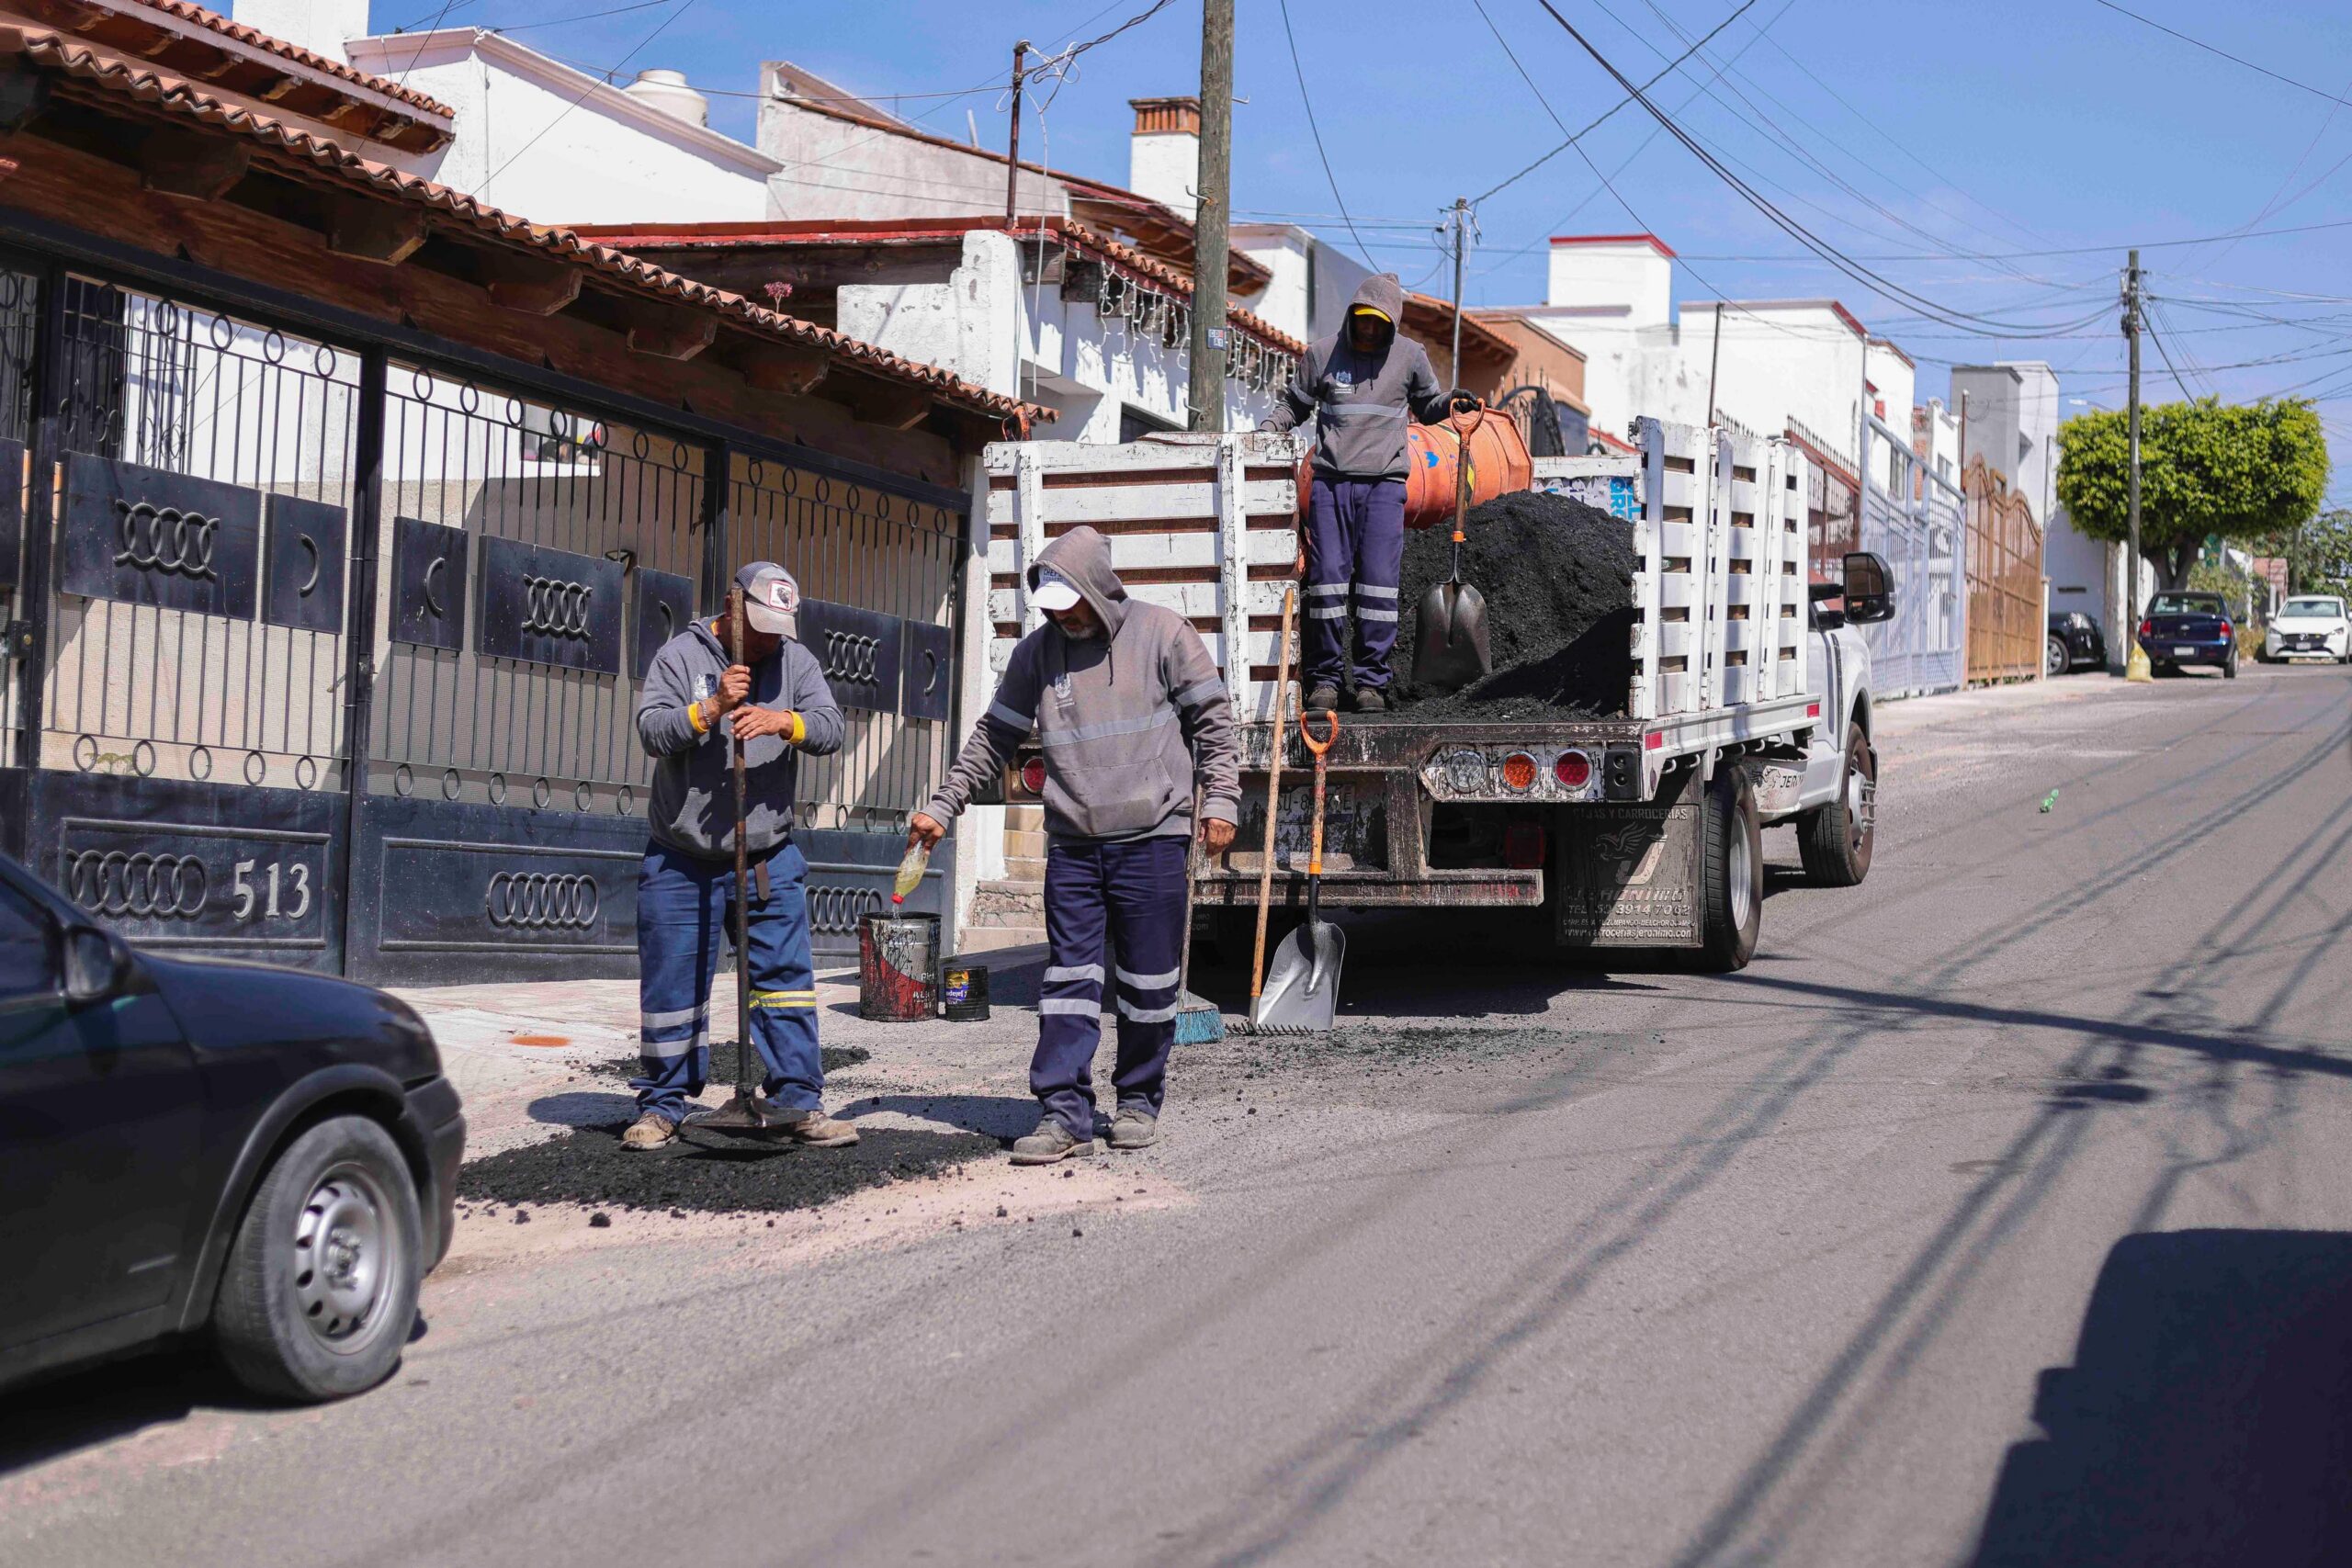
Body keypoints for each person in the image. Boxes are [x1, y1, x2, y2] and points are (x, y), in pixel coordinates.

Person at [908, 526, 1240, 1165]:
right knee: (1068, 981)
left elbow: (1215, 726)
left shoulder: (1165, 635)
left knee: (1148, 984)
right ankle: (1064, 1112)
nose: (1064, 615)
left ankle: (1140, 1099)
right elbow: (991, 739)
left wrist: (1221, 801)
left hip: (1152, 838)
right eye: (1053, 606)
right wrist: (943, 805)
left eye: (1072, 602)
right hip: (1076, 848)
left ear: (1098, 587)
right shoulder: (1037, 654)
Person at [624, 561, 853, 1152]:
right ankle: (662, 1106)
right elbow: (652, 731)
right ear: (733, 611)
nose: (773, 639)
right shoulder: (680, 657)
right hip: (681, 859)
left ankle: (797, 1101)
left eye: (781, 628)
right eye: (763, 626)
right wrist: (712, 709)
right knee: (672, 988)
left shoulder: (795, 662)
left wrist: (786, 721)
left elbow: (832, 728)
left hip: (766, 859)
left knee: (784, 987)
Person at [1261, 272, 1464, 713]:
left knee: (1378, 590)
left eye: (1379, 322)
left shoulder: (1411, 357)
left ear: (1392, 323)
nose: (1370, 329)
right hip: (1331, 486)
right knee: (1328, 586)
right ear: (1353, 316)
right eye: (1364, 320)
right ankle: (1325, 683)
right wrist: (1267, 430)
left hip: (1385, 490)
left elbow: (1428, 407)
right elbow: (1295, 404)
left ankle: (1372, 683)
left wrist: (1450, 404)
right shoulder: (1321, 355)